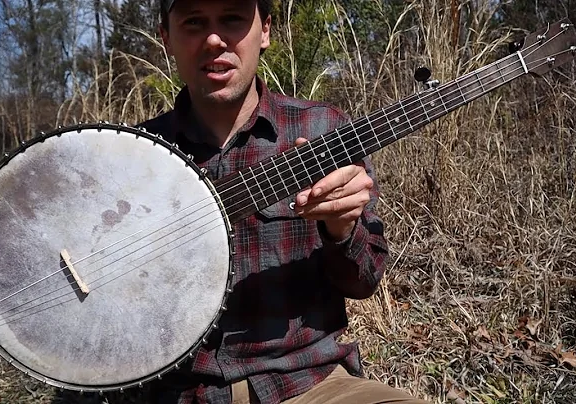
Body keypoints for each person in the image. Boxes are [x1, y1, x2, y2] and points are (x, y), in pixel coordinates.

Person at [126, 0, 431, 403]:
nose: (215, 40)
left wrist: (341, 228)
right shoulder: (133, 156)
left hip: (307, 384)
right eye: (194, 22)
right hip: (175, 394)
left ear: (265, 30)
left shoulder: (323, 130)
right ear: (166, 37)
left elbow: (364, 281)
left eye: (232, 19)